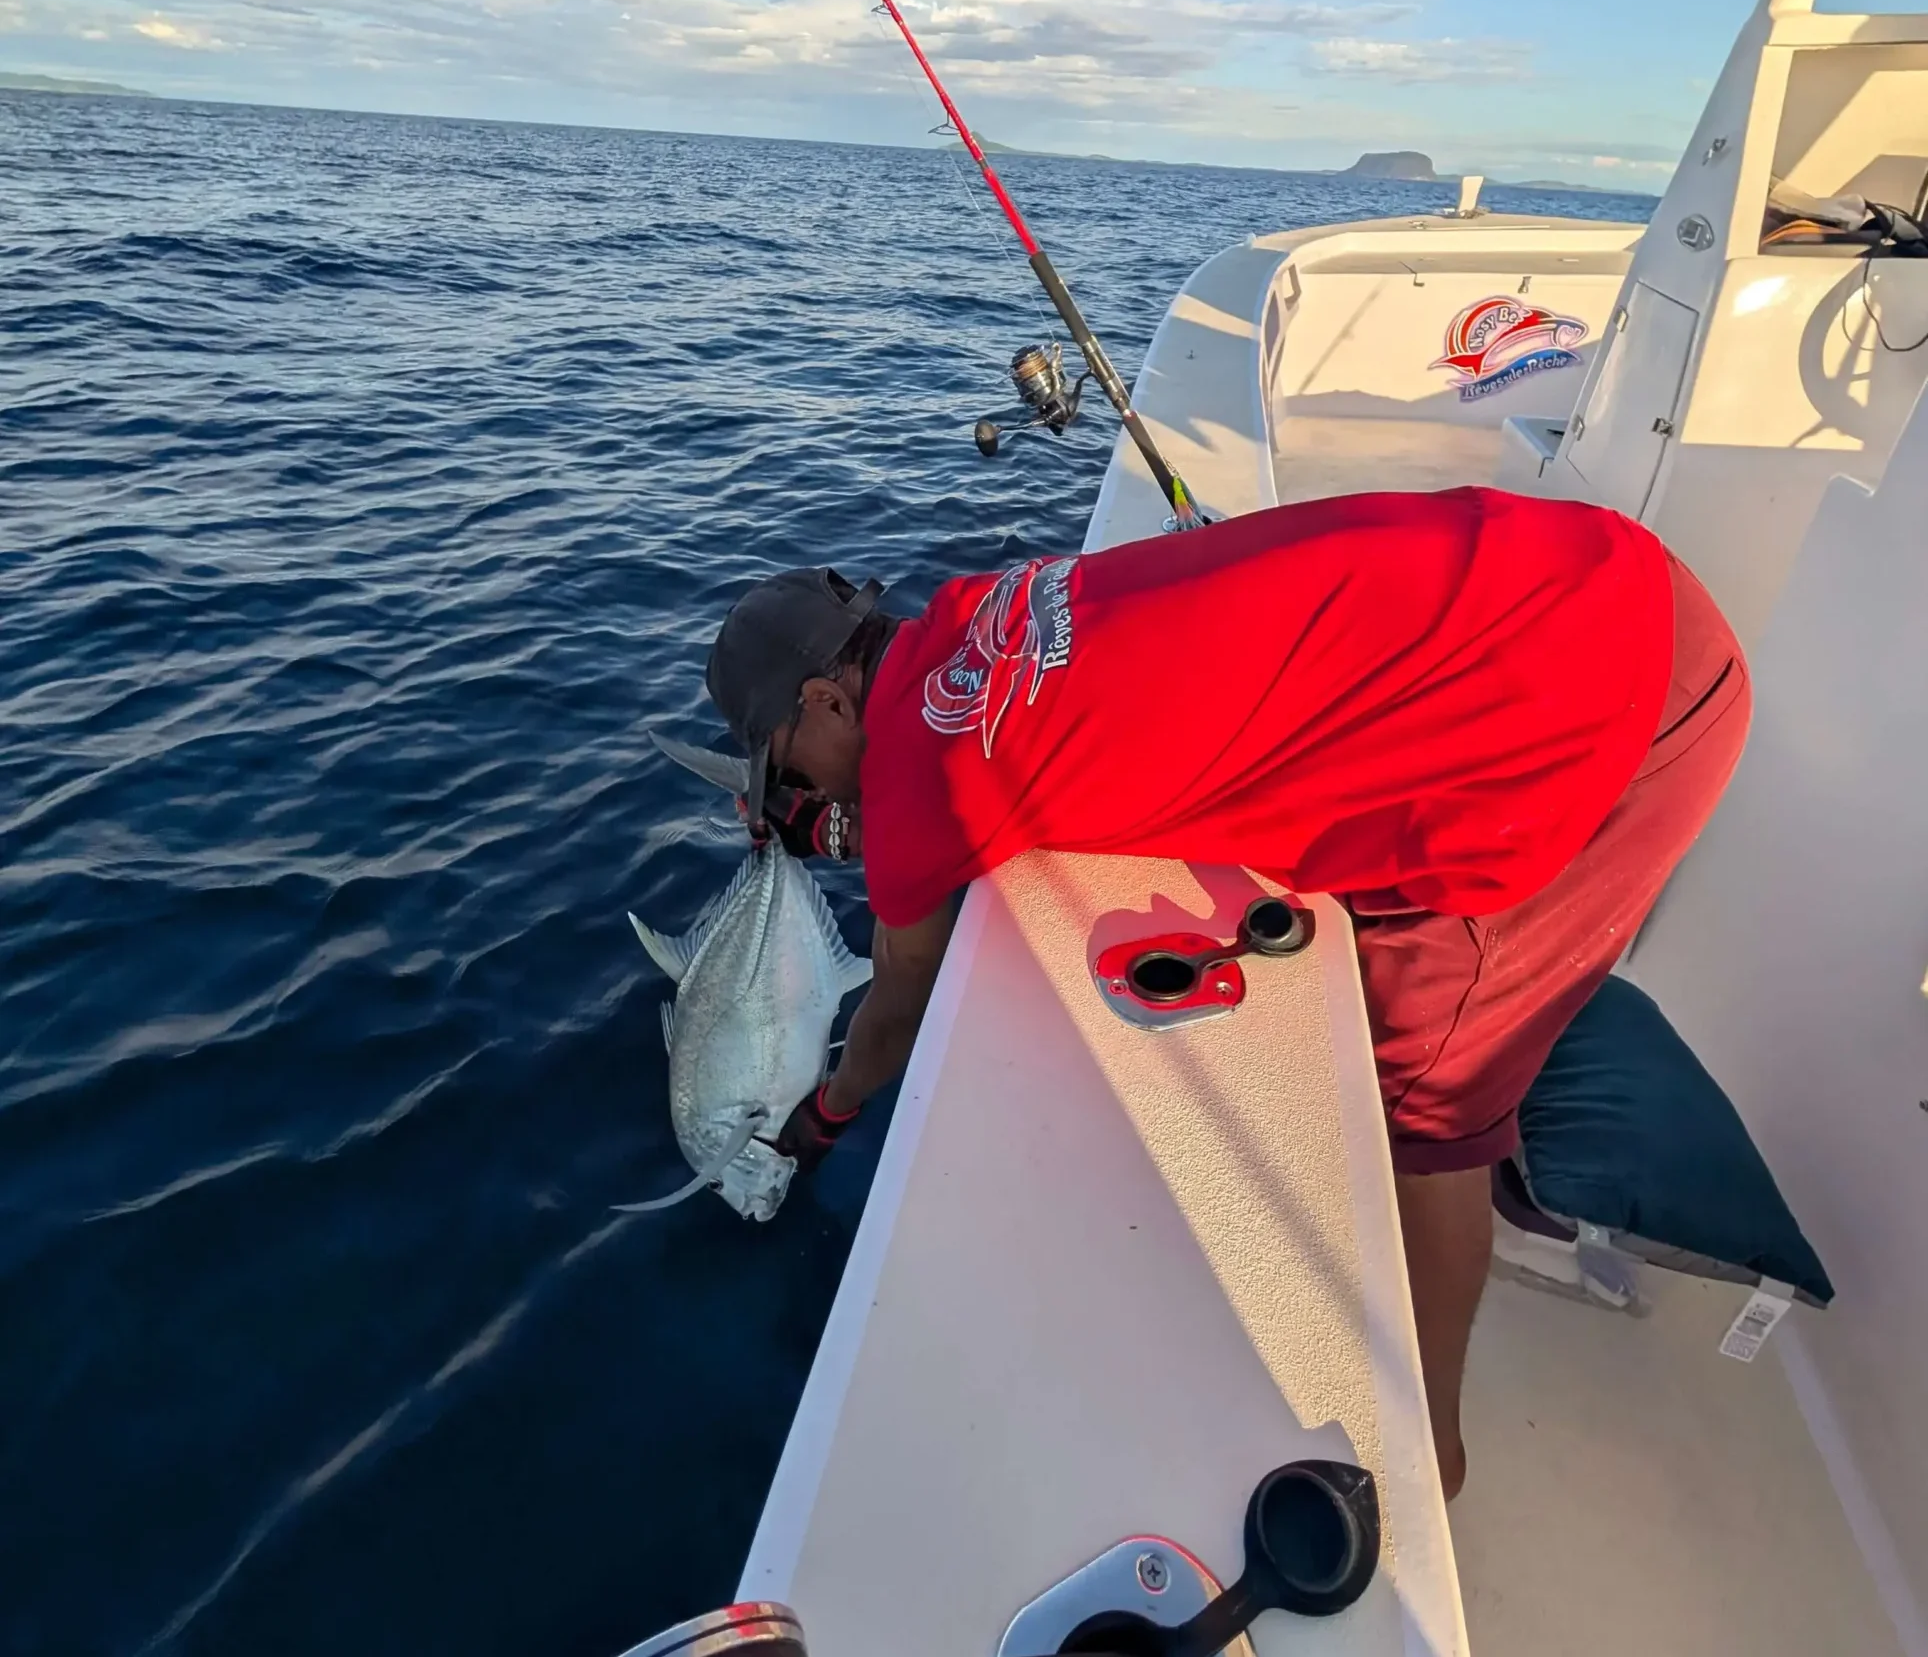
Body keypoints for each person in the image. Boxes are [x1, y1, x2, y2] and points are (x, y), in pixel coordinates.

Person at [701, 487, 1750, 1499]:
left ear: (829, 700)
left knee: (1426, 1094)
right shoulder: (986, 602)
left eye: (790, 767)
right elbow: (1021, 732)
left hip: (1620, 702)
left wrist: (824, 1117)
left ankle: (1428, 1452)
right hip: (1579, 564)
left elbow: (896, 999)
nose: (803, 795)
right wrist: (859, 823)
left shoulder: (919, 788)